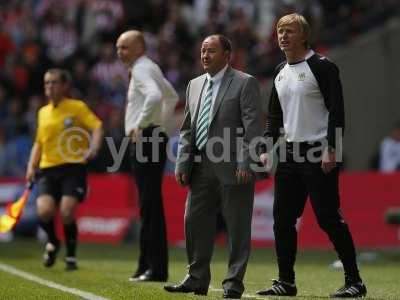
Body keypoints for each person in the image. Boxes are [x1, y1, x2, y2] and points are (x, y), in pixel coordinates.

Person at [257, 13, 367, 298]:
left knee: (328, 217)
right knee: (282, 219)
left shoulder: (322, 66)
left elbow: (337, 111)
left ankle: (354, 281)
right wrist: (267, 148)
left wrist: (332, 148)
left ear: (304, 36)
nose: (283, 36)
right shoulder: (280, 71)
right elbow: (274, 117)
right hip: (290, 154)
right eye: (280, 31)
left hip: (319, 151)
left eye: (290, 31)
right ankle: (285, 282)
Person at [164, 34, 263, 299]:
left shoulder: (245, 83)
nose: (205, 55)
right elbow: (187, 129)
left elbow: (252, 127)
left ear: (227, 55)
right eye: (203, 51)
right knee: (194, 221)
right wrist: (182, 162)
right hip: (200, 168)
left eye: (211, 51)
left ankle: (233, 283)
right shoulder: (194, 85)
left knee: (238, 227)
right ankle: (196, 278)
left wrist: (246, 160)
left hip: (235, 166)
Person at [116, 30, 178, 282]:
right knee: (149, 205)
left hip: (145, 139)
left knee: (149, 205)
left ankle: (154, 269)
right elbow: (172, 95)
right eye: (118, 47)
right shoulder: (149, 67)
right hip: (153, 137)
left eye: (125, 47)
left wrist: (142, 126)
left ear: (140, 47)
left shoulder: (142, 69)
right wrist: (160, 126)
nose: (120, 52)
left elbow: (154, 95)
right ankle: (147, 266)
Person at [26, 68, 103, 270]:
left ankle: (70, 255)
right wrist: (30, 166)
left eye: (53, 82)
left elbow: (97, 126)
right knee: (44, 211)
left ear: (64, 86)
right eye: (46, 83)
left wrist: (94, 147)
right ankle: (53, 241)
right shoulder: (43, 112)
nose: (49, 87)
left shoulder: (77, 107)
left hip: (73, 167)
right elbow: (39, 143)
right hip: (47, 169)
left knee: (67, 212)